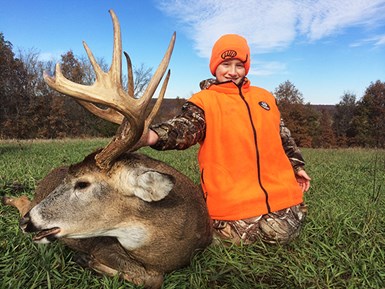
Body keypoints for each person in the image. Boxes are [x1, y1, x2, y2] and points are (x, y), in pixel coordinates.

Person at [143, 34, 311, 245]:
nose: (232, 72)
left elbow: (282, 135)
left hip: (281, 197)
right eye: (225, 64)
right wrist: (154, 135)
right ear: (214, 66)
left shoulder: (265, 98)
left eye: (239, 65)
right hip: (232, 202)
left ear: (246, 67)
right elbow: (185, 127)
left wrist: (296, 166)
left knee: (281, 234)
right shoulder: (203, 102)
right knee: (240, 241)